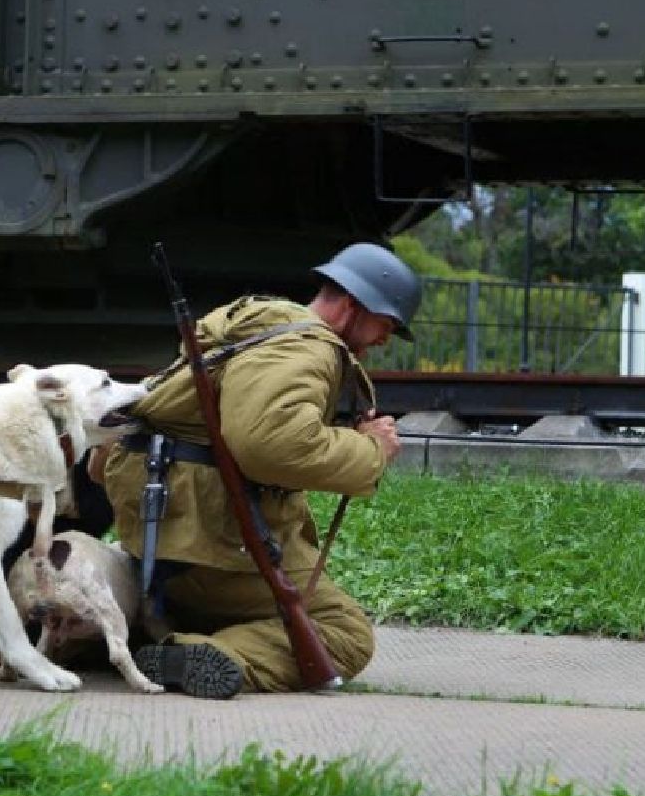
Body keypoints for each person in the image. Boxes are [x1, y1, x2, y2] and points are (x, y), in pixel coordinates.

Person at [98, 242, 422, 698]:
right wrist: (371, 448)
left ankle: (113, 641)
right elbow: (271, 444)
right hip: (211, 543)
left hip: (167, 535)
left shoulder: (256, 335)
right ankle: (193, 655)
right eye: (386, 324)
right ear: (352, 307)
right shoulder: (306, 347)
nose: (384, 339)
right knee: (344, 632)